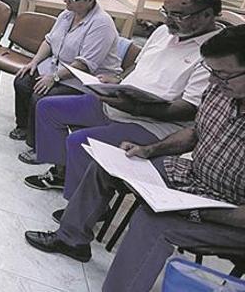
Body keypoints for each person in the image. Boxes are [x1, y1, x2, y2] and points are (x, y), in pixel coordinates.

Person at [24, 25, 245, 292]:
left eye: (222, 75)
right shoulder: (221, 92)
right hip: (194, 178)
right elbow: (195, 132)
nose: (213, 82)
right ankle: (71, 239)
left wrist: (195, 210)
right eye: (212, 73)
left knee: (153, 221)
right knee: (107, 165)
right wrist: (150, 150)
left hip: (231, 210)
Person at [25, 0, 221, 197]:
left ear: (207, 15)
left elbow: (189, 109)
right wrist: (117, 80)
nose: (168, 20)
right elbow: (137, 65)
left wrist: (136, 108)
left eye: (178, 15)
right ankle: (62, 174)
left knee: (78, 141)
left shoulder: (216, 53)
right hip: (123, 102)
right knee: (47, 108)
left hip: (153, 123)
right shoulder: (163, 32)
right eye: (166, 13)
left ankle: (80, 202)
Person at [11, 0, 121, 161]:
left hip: (84, 79)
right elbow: (49, 40)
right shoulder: (67, 14)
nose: (65, 0)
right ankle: (24, 127)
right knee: (22, 81)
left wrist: (53, 78)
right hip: (57, 67)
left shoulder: (102, 24)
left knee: (42, 96)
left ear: (90, 0)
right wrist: (34, 62)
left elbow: (84, 64)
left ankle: (40, 147)